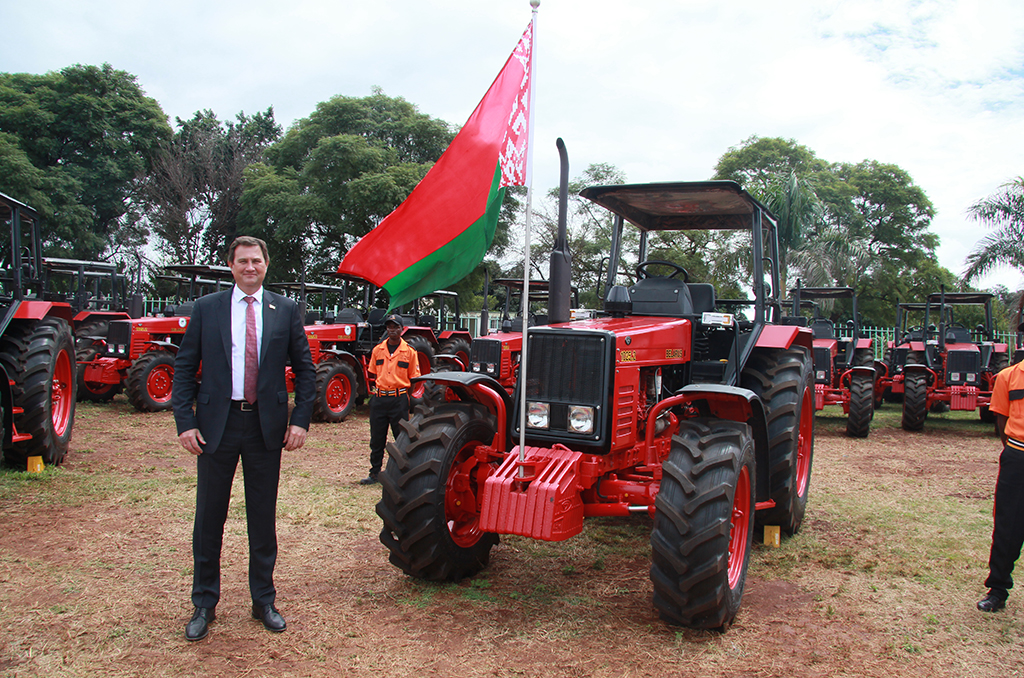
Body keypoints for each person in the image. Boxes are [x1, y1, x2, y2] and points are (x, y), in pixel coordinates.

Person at [173, 236, 316, 641]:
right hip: (215, 428)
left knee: (262, 517)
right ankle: (204, 603)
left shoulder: (285, 309)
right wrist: (185, 422)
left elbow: (305, 370)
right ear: (231, 266)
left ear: (266, 265)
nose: (249, 267)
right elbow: (184, 369)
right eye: (242, 261)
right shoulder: (208, 308)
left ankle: (263, 600)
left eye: (256, 261)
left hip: (265, 428)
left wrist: (300, 420)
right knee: (208, 517)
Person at [979, 330, 1024, 613]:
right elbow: (1002, 420)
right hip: (1018, 457)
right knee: (1008, 526)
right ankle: (997, 589)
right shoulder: (1008, 377)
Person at [360, 313, 422, 485]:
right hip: (379, 399)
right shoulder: (378, 350)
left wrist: (404, 397)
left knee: (402, 438)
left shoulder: (409, 352)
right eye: (389, 327)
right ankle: (374, 473)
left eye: (396, 327)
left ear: (402, 329)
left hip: (398, 400)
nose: (392, 330)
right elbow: (374, 373)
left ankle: (402, 474)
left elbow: (413, 380)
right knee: (377, 439)